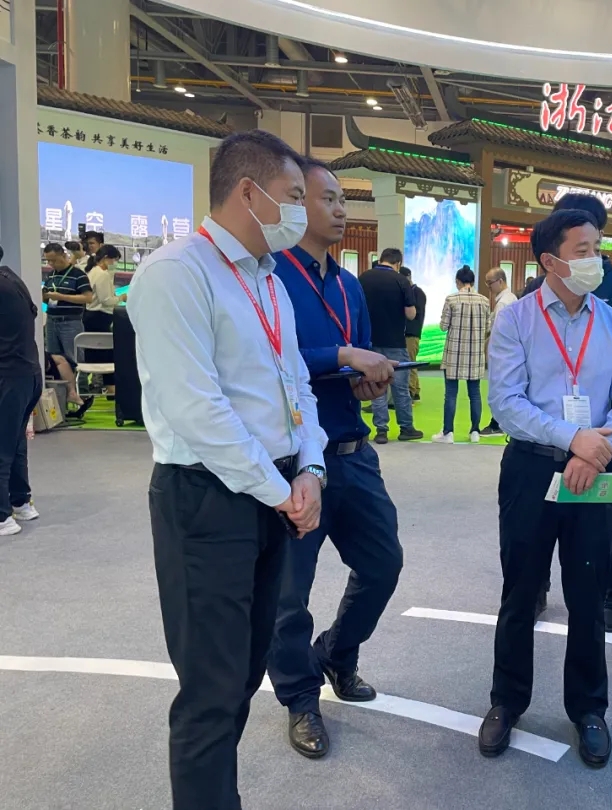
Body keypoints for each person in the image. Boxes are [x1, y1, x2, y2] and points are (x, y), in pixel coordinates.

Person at [127, 130, 328, 810]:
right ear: (250, 191)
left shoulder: (269, 280)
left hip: (274, 491)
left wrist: (311, 469)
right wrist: (282, 490)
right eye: (294, 195)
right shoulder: (177, 272)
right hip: (208, 498)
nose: (304, 210)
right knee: (210, 692)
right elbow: (197, 409)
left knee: (243, 672)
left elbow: (296, 385)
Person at [481, 209, 612, 768]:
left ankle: (589, 708)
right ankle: (506, 700)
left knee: (588, 593)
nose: (596, 259)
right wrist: (574, 438)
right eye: (583, 250)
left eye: (598, 247)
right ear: (551, 260)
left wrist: (597, 446)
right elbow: (507, 402)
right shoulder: (516, 320)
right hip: (531, 469)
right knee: (520, 590)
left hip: (595, 472)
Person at [268, 160, 402, 759]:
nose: (340, 209)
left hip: (352, 450)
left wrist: (366, 378)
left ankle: (336, 654)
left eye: (342, 199)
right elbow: (273, 360)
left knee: (383, 564)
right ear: (296, 204)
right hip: (296, 459)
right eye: (327, 198)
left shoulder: (349, 284)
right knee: (288, 594)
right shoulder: (272, 277)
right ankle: (301, 699)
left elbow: (360, 359)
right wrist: (344, 355)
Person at [551, 192, 612, 631]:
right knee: (542, 512)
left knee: (606, 517)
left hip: (603, 431)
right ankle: (537, 587)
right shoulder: (538, 292)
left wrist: (603, 439)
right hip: (550, 430)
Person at [358, 248, 423, 444]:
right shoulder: (401, 280)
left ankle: (381, 431)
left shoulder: (364, 278)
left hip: (370, 342)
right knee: (400, 389)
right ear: (398, 263)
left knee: (377, 387)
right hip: (395, 342)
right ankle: (406, 428)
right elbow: (411, 314)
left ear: (381, 260)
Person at [0, 247, 43, 537]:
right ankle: (20, 502)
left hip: (9, 376)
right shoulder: (10, 278)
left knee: (3, 446)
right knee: (14, 443)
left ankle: (2, 517)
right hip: (28, 374)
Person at [434, 266, 492, 444]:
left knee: (451, 394)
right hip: (475, 355)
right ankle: (475, 431)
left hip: (454, 354)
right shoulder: (484, 301)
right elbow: (488, 328)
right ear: (473, 282)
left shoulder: (451, 299)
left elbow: (443, 326)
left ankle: (448, 432)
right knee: (474, 394)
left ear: (458, 281)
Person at [42, 242, 93, 417]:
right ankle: (61, 403)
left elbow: (88, 298)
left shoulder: (78, 275)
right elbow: (49, 299)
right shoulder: (51, 275)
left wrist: (60, 296)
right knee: (54, 361)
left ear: (64, 256)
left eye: (54, 260)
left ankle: (82, 398)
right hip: (52, 321)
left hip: (71, 322)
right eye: (48, 261)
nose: (51, 264)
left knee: (75, 360)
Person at [478, 267, 517, 437]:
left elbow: (497, 332)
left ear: (500, 281)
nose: (488, 287)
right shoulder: (511, 298)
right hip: (510, 352)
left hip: (502, 353)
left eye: (490, 283)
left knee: (499, 389)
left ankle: (496, 424)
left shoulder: (502, 303)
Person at [83, 245, 125, 397]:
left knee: (93, 353)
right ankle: (111, 389)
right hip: (100, 317)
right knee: (107, 354)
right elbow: (106, 300)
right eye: (115, 260)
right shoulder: (102, 275)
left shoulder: (92, 271)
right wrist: (121, 298)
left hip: (91, 315)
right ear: (106, 258)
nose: (115, 263)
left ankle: (100, 387)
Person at [399, 266, 426, 402]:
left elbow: (415, 314)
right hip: (406, 333)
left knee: (410, 362)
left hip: (412, 333)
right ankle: (416, 390)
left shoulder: (417, 292)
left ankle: (411, 391)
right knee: (410, 361)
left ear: (408, 277)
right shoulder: (410, 291)